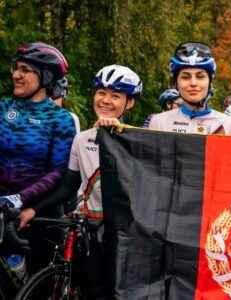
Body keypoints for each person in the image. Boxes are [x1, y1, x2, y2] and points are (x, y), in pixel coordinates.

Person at [18, 64, 142, 299]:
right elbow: (68, 187)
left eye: (115, 96)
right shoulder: (81, 140)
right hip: (91, 231)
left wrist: (121, 134)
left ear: (130, 103)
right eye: (101, 93)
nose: (106, 101)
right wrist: (33, 210)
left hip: (126, 235)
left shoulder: (137, 140)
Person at [0, 42, 76, 274]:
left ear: (45, 76)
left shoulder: (60, 119)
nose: (16, 75)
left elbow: (57, 172)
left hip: (38, 215)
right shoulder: (3, 107)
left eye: (25, 70)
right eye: (16, 68)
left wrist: (20, 198)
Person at [148, 42, 231, 135]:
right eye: (185, 77)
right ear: (175, 83)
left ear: (210, 81)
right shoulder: (159, 122)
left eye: (200, 76)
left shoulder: (227, 124)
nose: (193, 83)